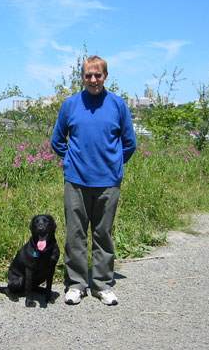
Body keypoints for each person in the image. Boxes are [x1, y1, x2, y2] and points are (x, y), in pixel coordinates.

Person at [51, 55, 136, 306]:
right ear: (82, 77)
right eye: (88, 75)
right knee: (76, 234)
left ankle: (102, 284)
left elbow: (129, 143)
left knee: (103, 234)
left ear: (105, 77)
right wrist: (71, 161)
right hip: (76, 180)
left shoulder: (118, 105)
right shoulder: (70, 105)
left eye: (97, 75)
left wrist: (114, 164)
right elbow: (57, 140)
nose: (93, 79)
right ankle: (76, 284)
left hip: (108, 182)